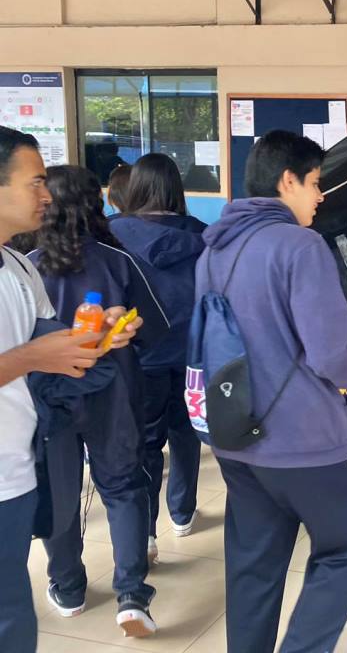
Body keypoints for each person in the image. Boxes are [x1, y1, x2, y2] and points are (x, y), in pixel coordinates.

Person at [195, 130, 347, 653]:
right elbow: (329, 356)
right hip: (305, 441)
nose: (320, 197)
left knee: (254, 563)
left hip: (235, 432)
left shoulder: (213, 248)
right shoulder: (300, 245)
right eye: (315, 183)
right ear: (287, 180)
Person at [0, 127, 141, 652]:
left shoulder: (18, 267)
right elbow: (37, 353)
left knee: (14, 616)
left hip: (16, 469)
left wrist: (101, 334)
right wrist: (36, 356)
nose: (45, 195)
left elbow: (55, 342)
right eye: (35, 182)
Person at [26, 165, 168, 637]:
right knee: (123, 486)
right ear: (95, 203)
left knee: (59, 493)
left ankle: (68, 588)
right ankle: (130, 594)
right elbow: (153, 327)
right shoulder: (116, 258)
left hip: (47, 397)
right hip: (113, 392)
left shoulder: (26, 264)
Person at [109, 153, 207, 561]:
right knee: (187, 435)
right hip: (192, 356)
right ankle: (182, 513)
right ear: (175, 187)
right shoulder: (204, 235)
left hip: (138, 359)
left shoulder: (113, 235)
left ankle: (146, 534)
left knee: (145, 444)